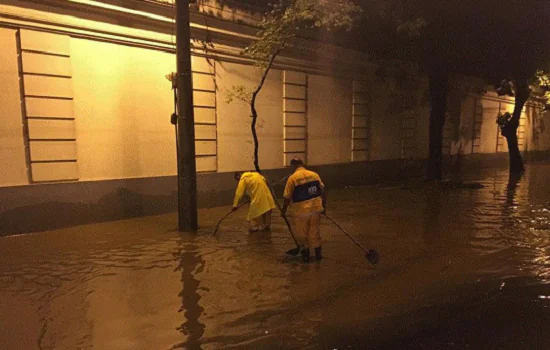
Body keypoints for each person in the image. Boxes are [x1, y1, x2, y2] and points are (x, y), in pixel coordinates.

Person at [281, 158, 326, 262]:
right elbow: (323, 190)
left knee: (302, 234)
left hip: (301, 211)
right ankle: (318, 257)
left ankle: (306, 257)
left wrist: (283, 211)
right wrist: (324, 207)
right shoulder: (314, 174)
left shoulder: (293, 178)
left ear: (293, 165)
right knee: (315, 233)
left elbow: (287, 197)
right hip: (316, 209)